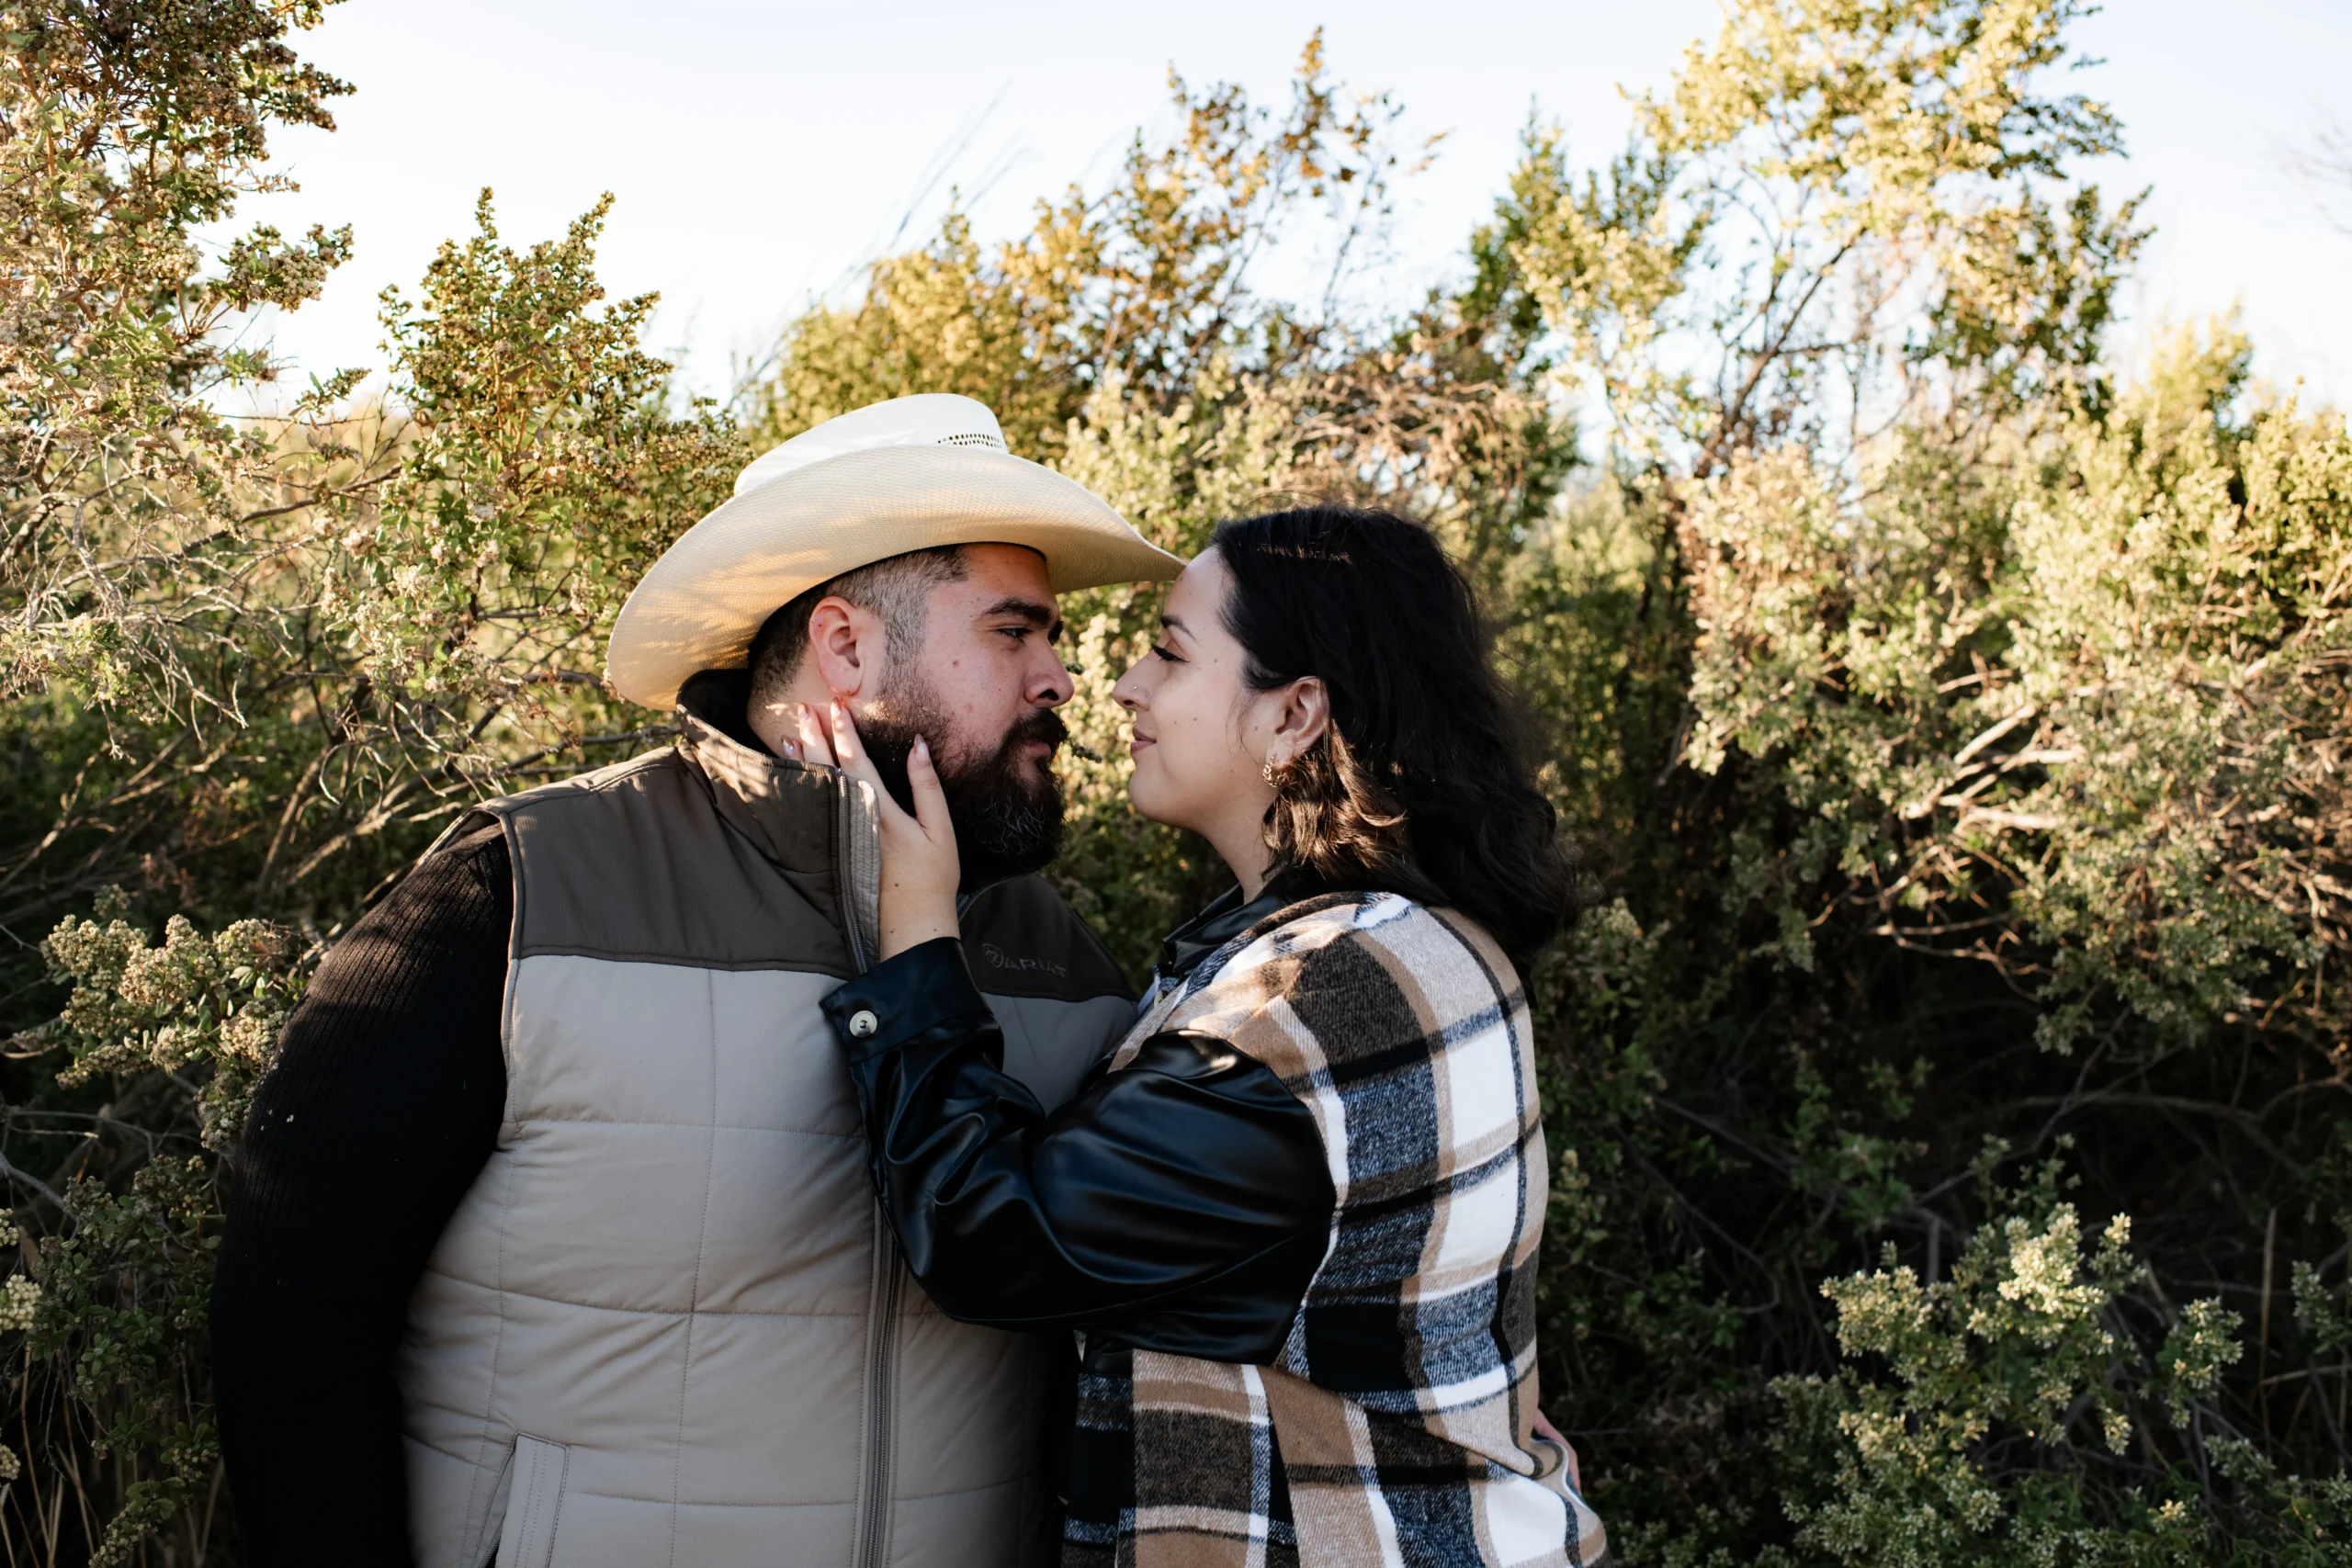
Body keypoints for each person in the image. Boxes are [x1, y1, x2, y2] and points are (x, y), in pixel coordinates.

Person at [209, 394, 1180, 1568]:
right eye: (1016, 633)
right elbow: (292, 1316)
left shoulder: (1063, 961)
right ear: (847, 647)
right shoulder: (518, 896)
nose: (1064, 679)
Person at [802, 504, 1608, 1567]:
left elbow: (995, 1238)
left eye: (1170, 655)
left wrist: (916, 950)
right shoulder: (1401, 940)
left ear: (1294, 715)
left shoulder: (1322, 991)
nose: (1122, 685)